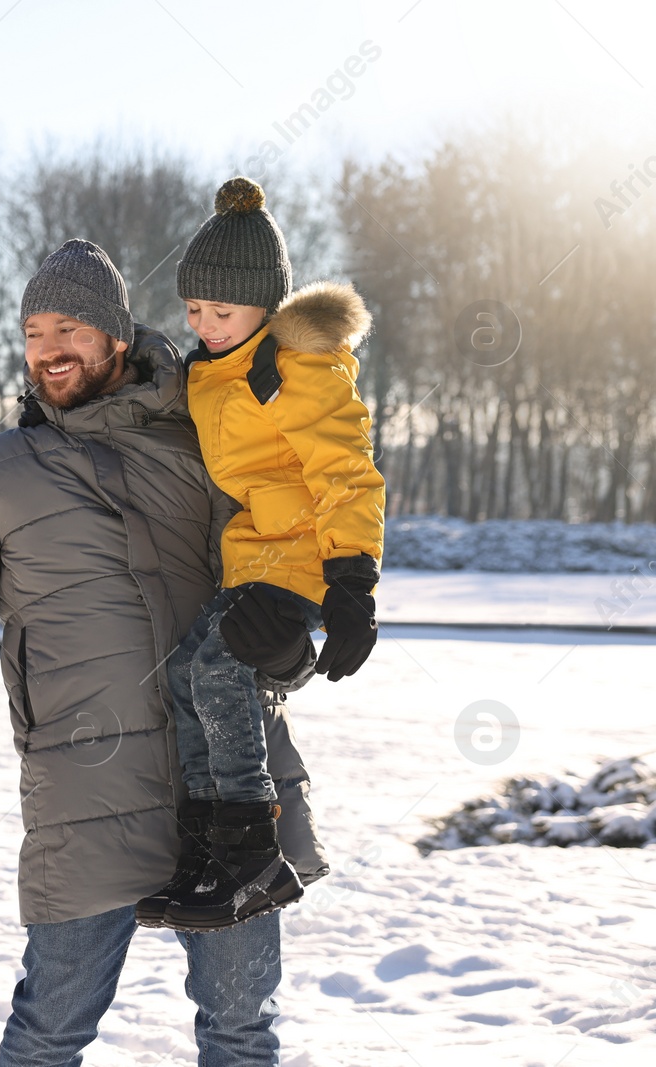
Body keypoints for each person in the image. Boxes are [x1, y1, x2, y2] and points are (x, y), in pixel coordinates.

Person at [0, 237, 327, 1066]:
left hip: (228, 790)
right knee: (50, 1031)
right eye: (32, 331)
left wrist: (295, 647)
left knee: (242, 1031)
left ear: (116, 336)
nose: (47, 348)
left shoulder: (211, 438)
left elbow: (277, 565)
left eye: (69, 327)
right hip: (86, 792)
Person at [137, 178, 384, 932]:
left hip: (301, 556)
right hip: (256, 556)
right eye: (194, 311)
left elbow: (345, 470)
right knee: (185, 672)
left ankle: (251, 851)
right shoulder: (214, 365)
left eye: (223, 311)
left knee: (214, 670)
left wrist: (352, 582)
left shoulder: (294, 366)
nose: (205, 324)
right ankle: (211, 845)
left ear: (265, 305)